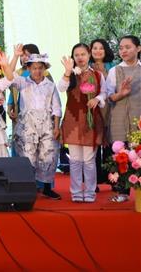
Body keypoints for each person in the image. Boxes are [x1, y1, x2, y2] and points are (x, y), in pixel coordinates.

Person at [58, 44, 106, 203]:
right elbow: (61, 87)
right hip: (72, 121)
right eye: (76, 54)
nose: (80, 57)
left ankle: (90, 191)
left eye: (83, 54)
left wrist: (97, 99)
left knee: (89, 160)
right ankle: (76, 191)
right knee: (75, 160)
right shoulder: (70, 74)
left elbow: (104, 92)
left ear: (88, 55)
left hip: (90, 121)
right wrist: (67, 72)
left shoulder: (98, 75)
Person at [11, 53, 62, 199]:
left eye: (40, 68)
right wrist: (15, 56)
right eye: (34, 68)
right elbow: (9, 75)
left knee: (48, 154)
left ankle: (46, 187)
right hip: (27, 123)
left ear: (44, 69)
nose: (37, 71)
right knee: (28, 154)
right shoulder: (22, 82)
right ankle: (28, 187)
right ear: (28, 68)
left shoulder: (51, 86)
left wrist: (57, 127)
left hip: (47, 123)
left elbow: (57, 107)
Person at [105, 35, 141, 202]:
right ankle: (122, 192)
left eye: (128, 47)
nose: (123, 51)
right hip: (118, 118)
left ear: (138, 48)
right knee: (121, 156)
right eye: (121, 48)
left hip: (138, 118)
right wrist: (121, 94)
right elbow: (109, 97)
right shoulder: (114, 71)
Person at [89, 38, 116, 186]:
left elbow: (113, 88)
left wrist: (103, 73)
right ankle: (95, 179)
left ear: (105, 51)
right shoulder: (86, 66)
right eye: (94, 48)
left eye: (101, 48)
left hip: (110, 109)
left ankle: (112, 179)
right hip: (92, 110)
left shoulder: (113, 66)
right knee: (94, 145)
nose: (97, 51)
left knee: (110, 145)